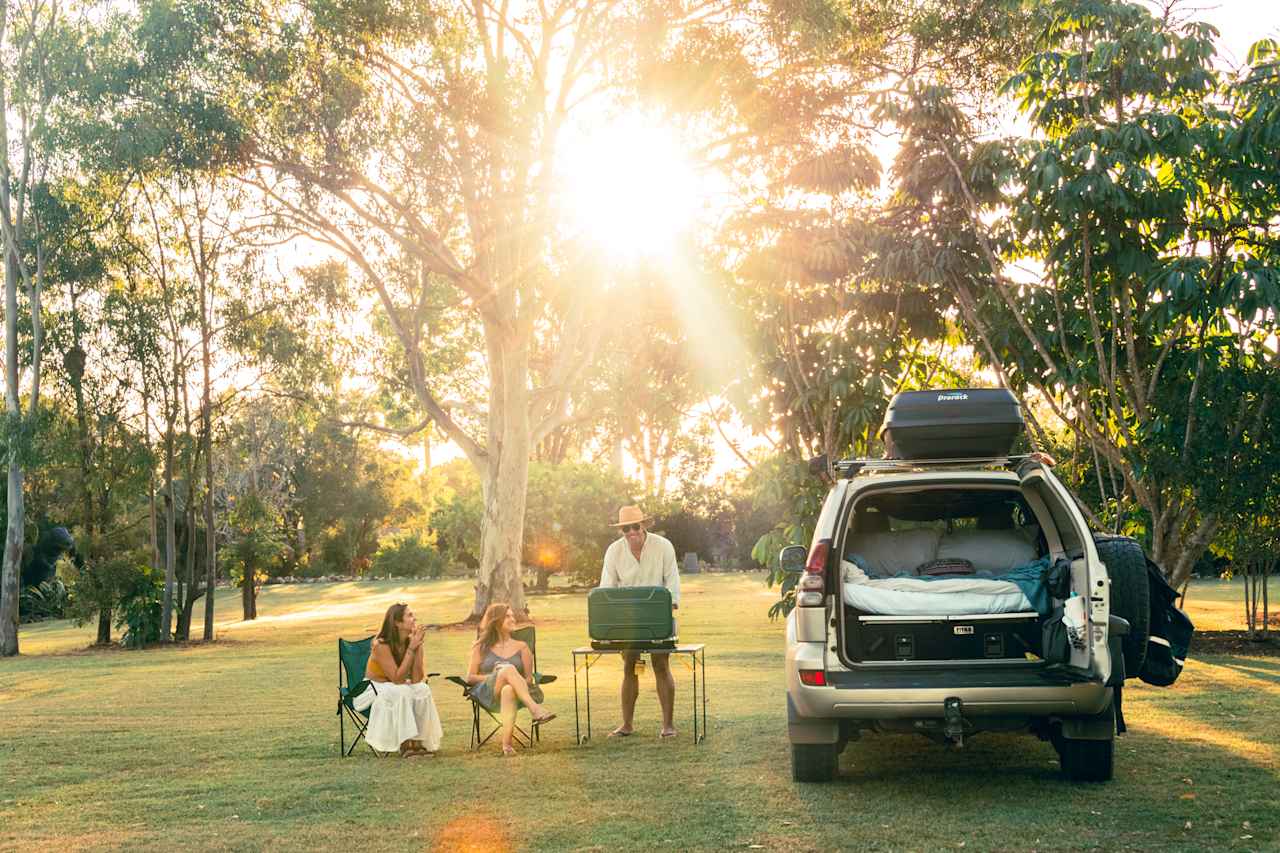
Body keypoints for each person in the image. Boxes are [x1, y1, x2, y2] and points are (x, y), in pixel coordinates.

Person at [599, 504, 680, 738]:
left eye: (635, 526)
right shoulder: (614, 551)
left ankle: (668, 726)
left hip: (659, 616)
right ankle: (627, 724)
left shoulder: (663, 547)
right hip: (628, 619)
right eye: (626, 528)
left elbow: (672, 582)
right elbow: (607, 588)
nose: (632, 532)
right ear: (621, 530)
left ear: (644, 525)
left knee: (661, 665)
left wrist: (669, 606)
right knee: (629, 667)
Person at [465, 603, 556, 756]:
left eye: (512, 616)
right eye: (507, 616)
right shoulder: (481, 647)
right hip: (489, 693)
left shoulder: (522, 647)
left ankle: (507, 746)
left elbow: (528, 679)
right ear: (496, 621)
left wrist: (511, 678)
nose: (513, 619)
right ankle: (535, 710)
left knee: (508, 689)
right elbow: (470, 678)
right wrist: (496, 674)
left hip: (516, 694)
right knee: (507, 669)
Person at [354, 602, 443, 757]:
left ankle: (418, 741)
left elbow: (416, 679)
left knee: (423, 689)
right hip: (375, 688)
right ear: (397, 622)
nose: (414, 618)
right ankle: (406, 743)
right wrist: (411, 649)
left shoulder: (411, 641)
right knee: (402, 690)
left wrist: (417, 646)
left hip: (398, 686)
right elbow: (396, 678)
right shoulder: (380, 645)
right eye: (409, 615)